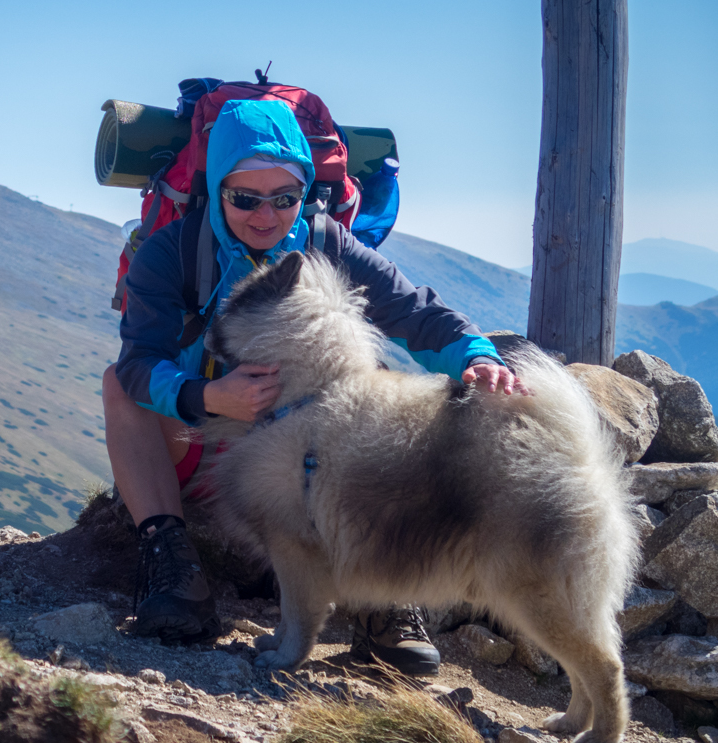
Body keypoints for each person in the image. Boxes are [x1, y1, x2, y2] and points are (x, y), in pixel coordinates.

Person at [101, 99, 527, 676]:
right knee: (119, 391)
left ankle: (380, 602)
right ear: (216, 190)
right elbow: (137, 363)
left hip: (301, 454)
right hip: (200, 430)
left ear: (305, 194)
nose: (265, 215)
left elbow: (414, 312)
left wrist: (477, 358)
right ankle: (171, 563)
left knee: (372, 388)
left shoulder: (327, 245)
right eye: (245, 198)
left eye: (285, 198)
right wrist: (207, 397)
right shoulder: (171, 253)